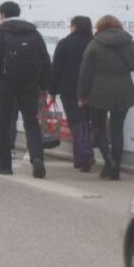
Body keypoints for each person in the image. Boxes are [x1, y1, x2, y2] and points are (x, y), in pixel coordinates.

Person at [0, 0, 52, 178]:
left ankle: (5, 164)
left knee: (3, 123)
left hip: (5, 83)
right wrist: (43, 84)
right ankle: (37, 157)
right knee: (31, 122)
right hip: (30, 83)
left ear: (2, 14)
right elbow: (45, 60)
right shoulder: (33, 33)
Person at [77, 15, 134, 180]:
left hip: (98, 92)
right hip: (124, 91)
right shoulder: (130, 45)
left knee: (98, 128)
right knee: (117, 129)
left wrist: (81, 94)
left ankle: (108, 159)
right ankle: (115, 169)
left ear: (100, 27)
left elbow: (85, 73)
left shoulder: (94, 45)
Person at [49, 15, 94, 172]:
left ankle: (84, 155)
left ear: (74, 27)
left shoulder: (65, 43)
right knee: (88, 121)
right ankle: (88, 152)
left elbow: (56, 68)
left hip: (69, 90)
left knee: (76, 123)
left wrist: (52, 90)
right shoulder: (94, 43)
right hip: (91, 89)